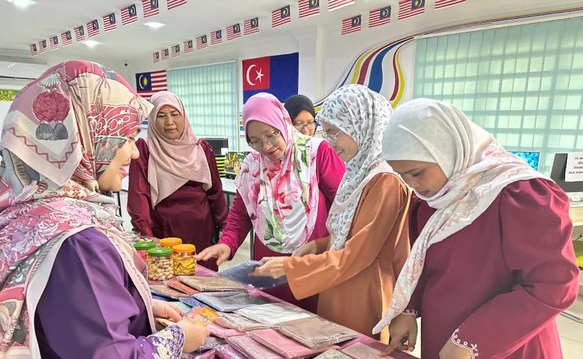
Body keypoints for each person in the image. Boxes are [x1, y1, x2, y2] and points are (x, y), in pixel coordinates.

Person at [0, 61, 208, 359]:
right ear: (84, 139)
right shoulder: (78, 241)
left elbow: (61, 316)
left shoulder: (26, 216)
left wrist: (139, 307)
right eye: (125, 138)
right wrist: (181, 339)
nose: (134, 152)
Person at [373, 98, 579, 359]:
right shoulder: (435, 196)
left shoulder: (517, 194)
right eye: (403, 176)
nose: (412, 185)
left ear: (447, 150)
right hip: (445, 339)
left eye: (417, 173)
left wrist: (472, 340)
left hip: (506, 347)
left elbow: (554, 285)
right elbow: (423, 260)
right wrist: (408, 310)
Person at [255, 85, 410, 338]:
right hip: (338, 281)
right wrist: (318, 246)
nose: (330, 142)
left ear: (359, 125)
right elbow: (347, 234)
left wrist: (291, 267)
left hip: (362, 291)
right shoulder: (357, 172)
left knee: (356, 353)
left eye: (334, 133)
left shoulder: (385, 180)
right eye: (326, 133)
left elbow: (358, 254)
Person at [197, 93, 345, 311]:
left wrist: (328, 245)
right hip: (268, 261)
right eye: (255, 141)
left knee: (311, 320)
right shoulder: (252, 165)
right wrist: (227, 243)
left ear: (282, 123)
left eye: (270, 135)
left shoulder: (316, 153)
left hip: (310, 259)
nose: (266, 146)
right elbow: (241, 212)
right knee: (271, 315)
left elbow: (344, 207)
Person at [127, 91, 228, 270]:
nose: (169, 122)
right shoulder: (145, 150)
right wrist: (147, 235)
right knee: (169, 279)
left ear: (184, 115)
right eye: (161, 115)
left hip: (202, 231)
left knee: (204, 278)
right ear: (152, 119)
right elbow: (138, 195)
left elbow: (215, 192)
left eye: (175, 114)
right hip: (163, 233)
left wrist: (224, 227)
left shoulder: (200, 148)